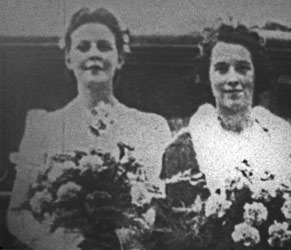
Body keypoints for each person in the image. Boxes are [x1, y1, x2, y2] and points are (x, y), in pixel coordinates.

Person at [7, 7, 171, 250]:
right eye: (83, 47)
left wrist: (120, 240)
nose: (94, 54)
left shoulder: (150, 127)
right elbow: (17, 214)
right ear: (68, 58)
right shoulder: (43, 126)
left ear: (120, 58)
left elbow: (159, 208)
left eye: (104, 46)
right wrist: (65, 245)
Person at [155, 23, 291, 249]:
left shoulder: (284, 142)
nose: (232, 79)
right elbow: (174, 234)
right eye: (222, 69)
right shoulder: (184, 148)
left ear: (256, 74)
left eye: (243, 68)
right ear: (208, 76)